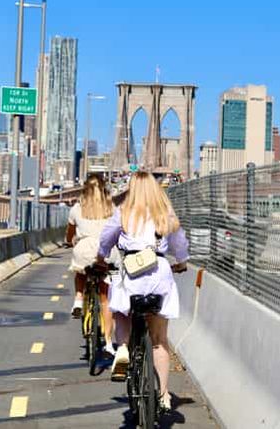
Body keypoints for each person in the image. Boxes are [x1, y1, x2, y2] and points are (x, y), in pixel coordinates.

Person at [98, 171, 188, 412]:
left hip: (133, 274)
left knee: (121, 310)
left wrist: (102, 255)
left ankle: (124, 348)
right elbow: (180, 243)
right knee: (159, 341)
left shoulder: (124, 213)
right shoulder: (165, 214)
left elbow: (107, 237)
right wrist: (181, 262)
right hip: (159, 274)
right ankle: (164, 394)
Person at [66, 174, 116, 356]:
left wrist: (70, 240)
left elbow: (69, 232)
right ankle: (109, 343)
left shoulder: (77, 209)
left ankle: (79, 299)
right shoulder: (112, 208)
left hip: (84, 249)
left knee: (80, 270)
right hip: (106, 252)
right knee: (106, 297)